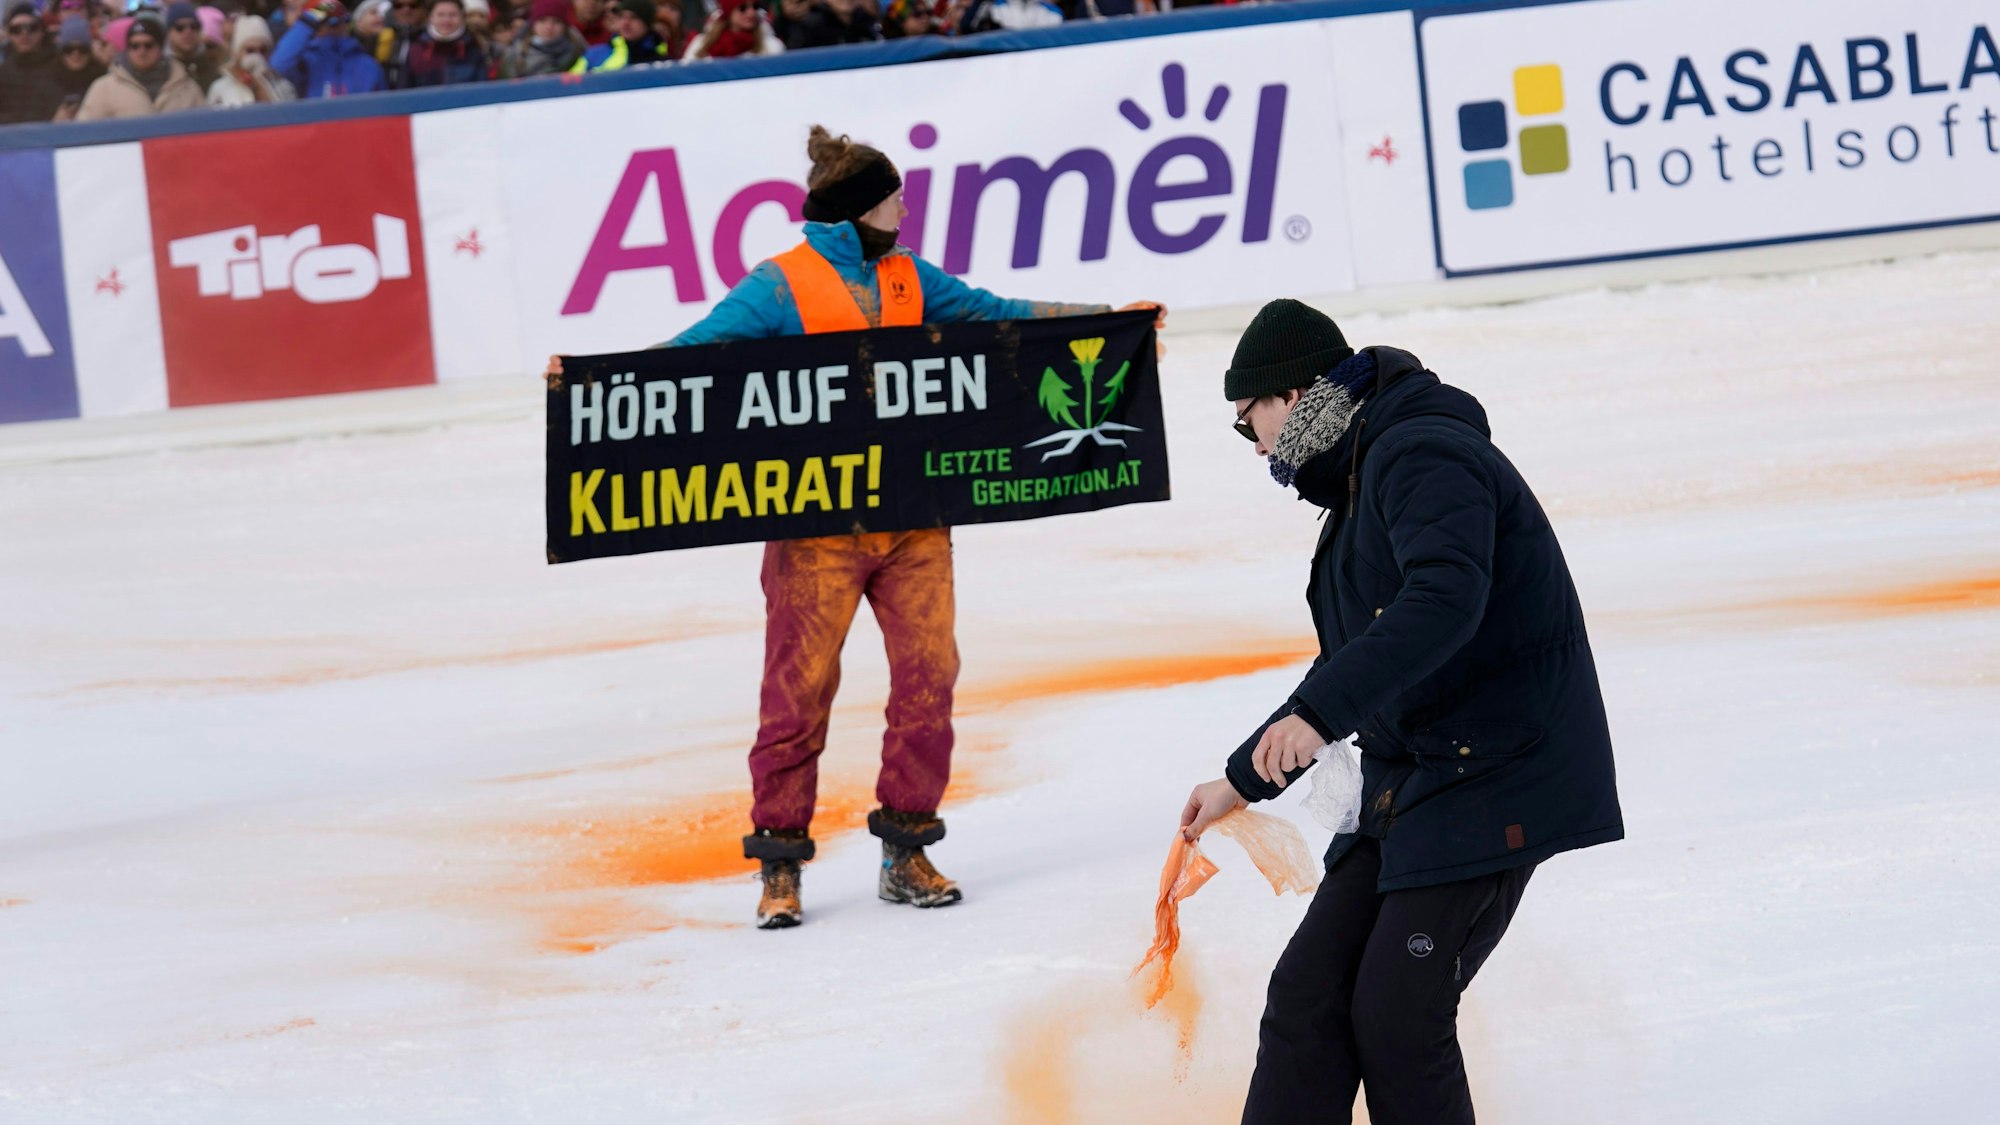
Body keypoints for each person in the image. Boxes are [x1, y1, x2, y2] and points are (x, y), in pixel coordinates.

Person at [595, 125, 1160, 930]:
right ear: (863, 208)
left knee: (929, 680)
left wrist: (1108, 322)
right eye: (896, 195)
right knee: (796, 696)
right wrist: (594, 389)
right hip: (813, 530)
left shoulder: (910, 278)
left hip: (914, 520)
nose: (906, 205)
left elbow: (1002, 318)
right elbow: (694, 355)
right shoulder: (779, 286)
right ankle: (780, 863)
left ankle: (906, 848)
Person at [1177, 299, 1624, 1124]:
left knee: (1396, 1012)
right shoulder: (1358, 475)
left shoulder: (1420, 451)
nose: (1259, 447)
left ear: (1299, 391)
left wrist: (1315, 719)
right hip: (1412, 778)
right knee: (1309, 998)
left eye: (1253, 422)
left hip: (1493, 770)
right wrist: (1244, 775)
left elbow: (1445, 597)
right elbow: (1357, 650)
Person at [76, 8, 202, 116]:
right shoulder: (104, 88)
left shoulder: (187, 86)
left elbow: (206, 129)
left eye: (148, 45)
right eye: (135, 46)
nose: (141, 51)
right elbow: (84, 133)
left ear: (160, 47)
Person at [271, 0, 383, 96]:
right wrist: (314, 16)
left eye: (339, 21)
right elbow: (278, 66)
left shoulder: (368, 65)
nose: (332, 26)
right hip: (318, 120)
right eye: (326, 22)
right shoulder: (308, 61)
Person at [0, 0, 64, 123]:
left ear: (42, 31)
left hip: (52, 136)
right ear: (8, 34)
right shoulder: (3, 72)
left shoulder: (61, 66)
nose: (24, 34)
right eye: (16, 30)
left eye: (32, 28)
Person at [206, 12, 292, 102]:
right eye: (250, 50)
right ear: (237, 53)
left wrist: (260, 84)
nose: (257, 56)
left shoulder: (283, 87)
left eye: (263, 50)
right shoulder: (220, 88)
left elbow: (281, 114)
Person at [401, 0, 486, 85]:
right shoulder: (416, 50)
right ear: (430, 17)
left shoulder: (474, 48)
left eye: (453, 15)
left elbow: (482, 88)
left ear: (462, 17)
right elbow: (404, 88)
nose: (446, 20)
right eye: (440, 15)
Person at [566, 0, 664, 71]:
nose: (626, 23)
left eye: (633, 18)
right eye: (621, 17)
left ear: (646, 23)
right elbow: (570, 83)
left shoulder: (662, 59)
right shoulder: (594, 55)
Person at [48, 15, 108, 118]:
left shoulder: (103, 80)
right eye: (69, 49)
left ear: (89, 51)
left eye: (82, 49)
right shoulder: (47, 79)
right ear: (61, 52)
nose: (76, 54)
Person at [681, 0, 780, 59]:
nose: (751, 12)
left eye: (755, 6)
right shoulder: (700, 44)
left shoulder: (770, 47)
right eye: (742, 7)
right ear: (729, 11)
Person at [502, 0, 578, 74]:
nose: (549, 27)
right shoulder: (515, 54)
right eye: (542, 20)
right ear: (533, 24)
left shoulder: (577, 53)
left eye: (556, 21)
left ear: (564, 27)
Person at [163, 0, 223, 90]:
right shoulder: (162, 69)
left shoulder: (214, 64)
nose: (188, 32)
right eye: (180, 27)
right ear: (169, 32)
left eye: (194, 26)